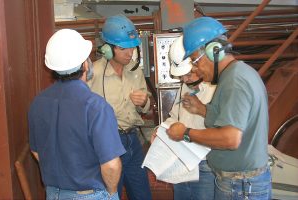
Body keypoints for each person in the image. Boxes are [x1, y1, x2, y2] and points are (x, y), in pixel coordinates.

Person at [167, 17, 272, 200]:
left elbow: (230, 138)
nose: (196, 70)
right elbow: (233, 121)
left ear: (213, 51)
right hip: (238, 183)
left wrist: (185, 133)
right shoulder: (236, 74)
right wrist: (202, 110)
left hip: (240, 186)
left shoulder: (235, 81)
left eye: (195, 61)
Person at [28, 29, 126, 200]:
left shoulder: (38, 103)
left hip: (53, 194)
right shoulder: (96, 107)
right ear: (85, 65)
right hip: (90, 195)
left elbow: (36, 152)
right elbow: (111, 165)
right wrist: (110, 194)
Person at [88, 14, 152, 200]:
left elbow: (145, 108)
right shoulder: (93, 73)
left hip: (133, 140)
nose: (129, 53)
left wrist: (144, 103)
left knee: (142, 194)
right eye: (123, 48)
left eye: (132, 48)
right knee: (111, 194)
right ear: (107, 49)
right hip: (108, 142)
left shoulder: (135, 70)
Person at [151, 35, 217, 200]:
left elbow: (224, 127)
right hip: (181, 158)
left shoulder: (217, 88)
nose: (185, 80)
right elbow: (175, 116)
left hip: (206, 163)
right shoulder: (186, 85)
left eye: (188, 75)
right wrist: (161, 129)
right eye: (181, 77)